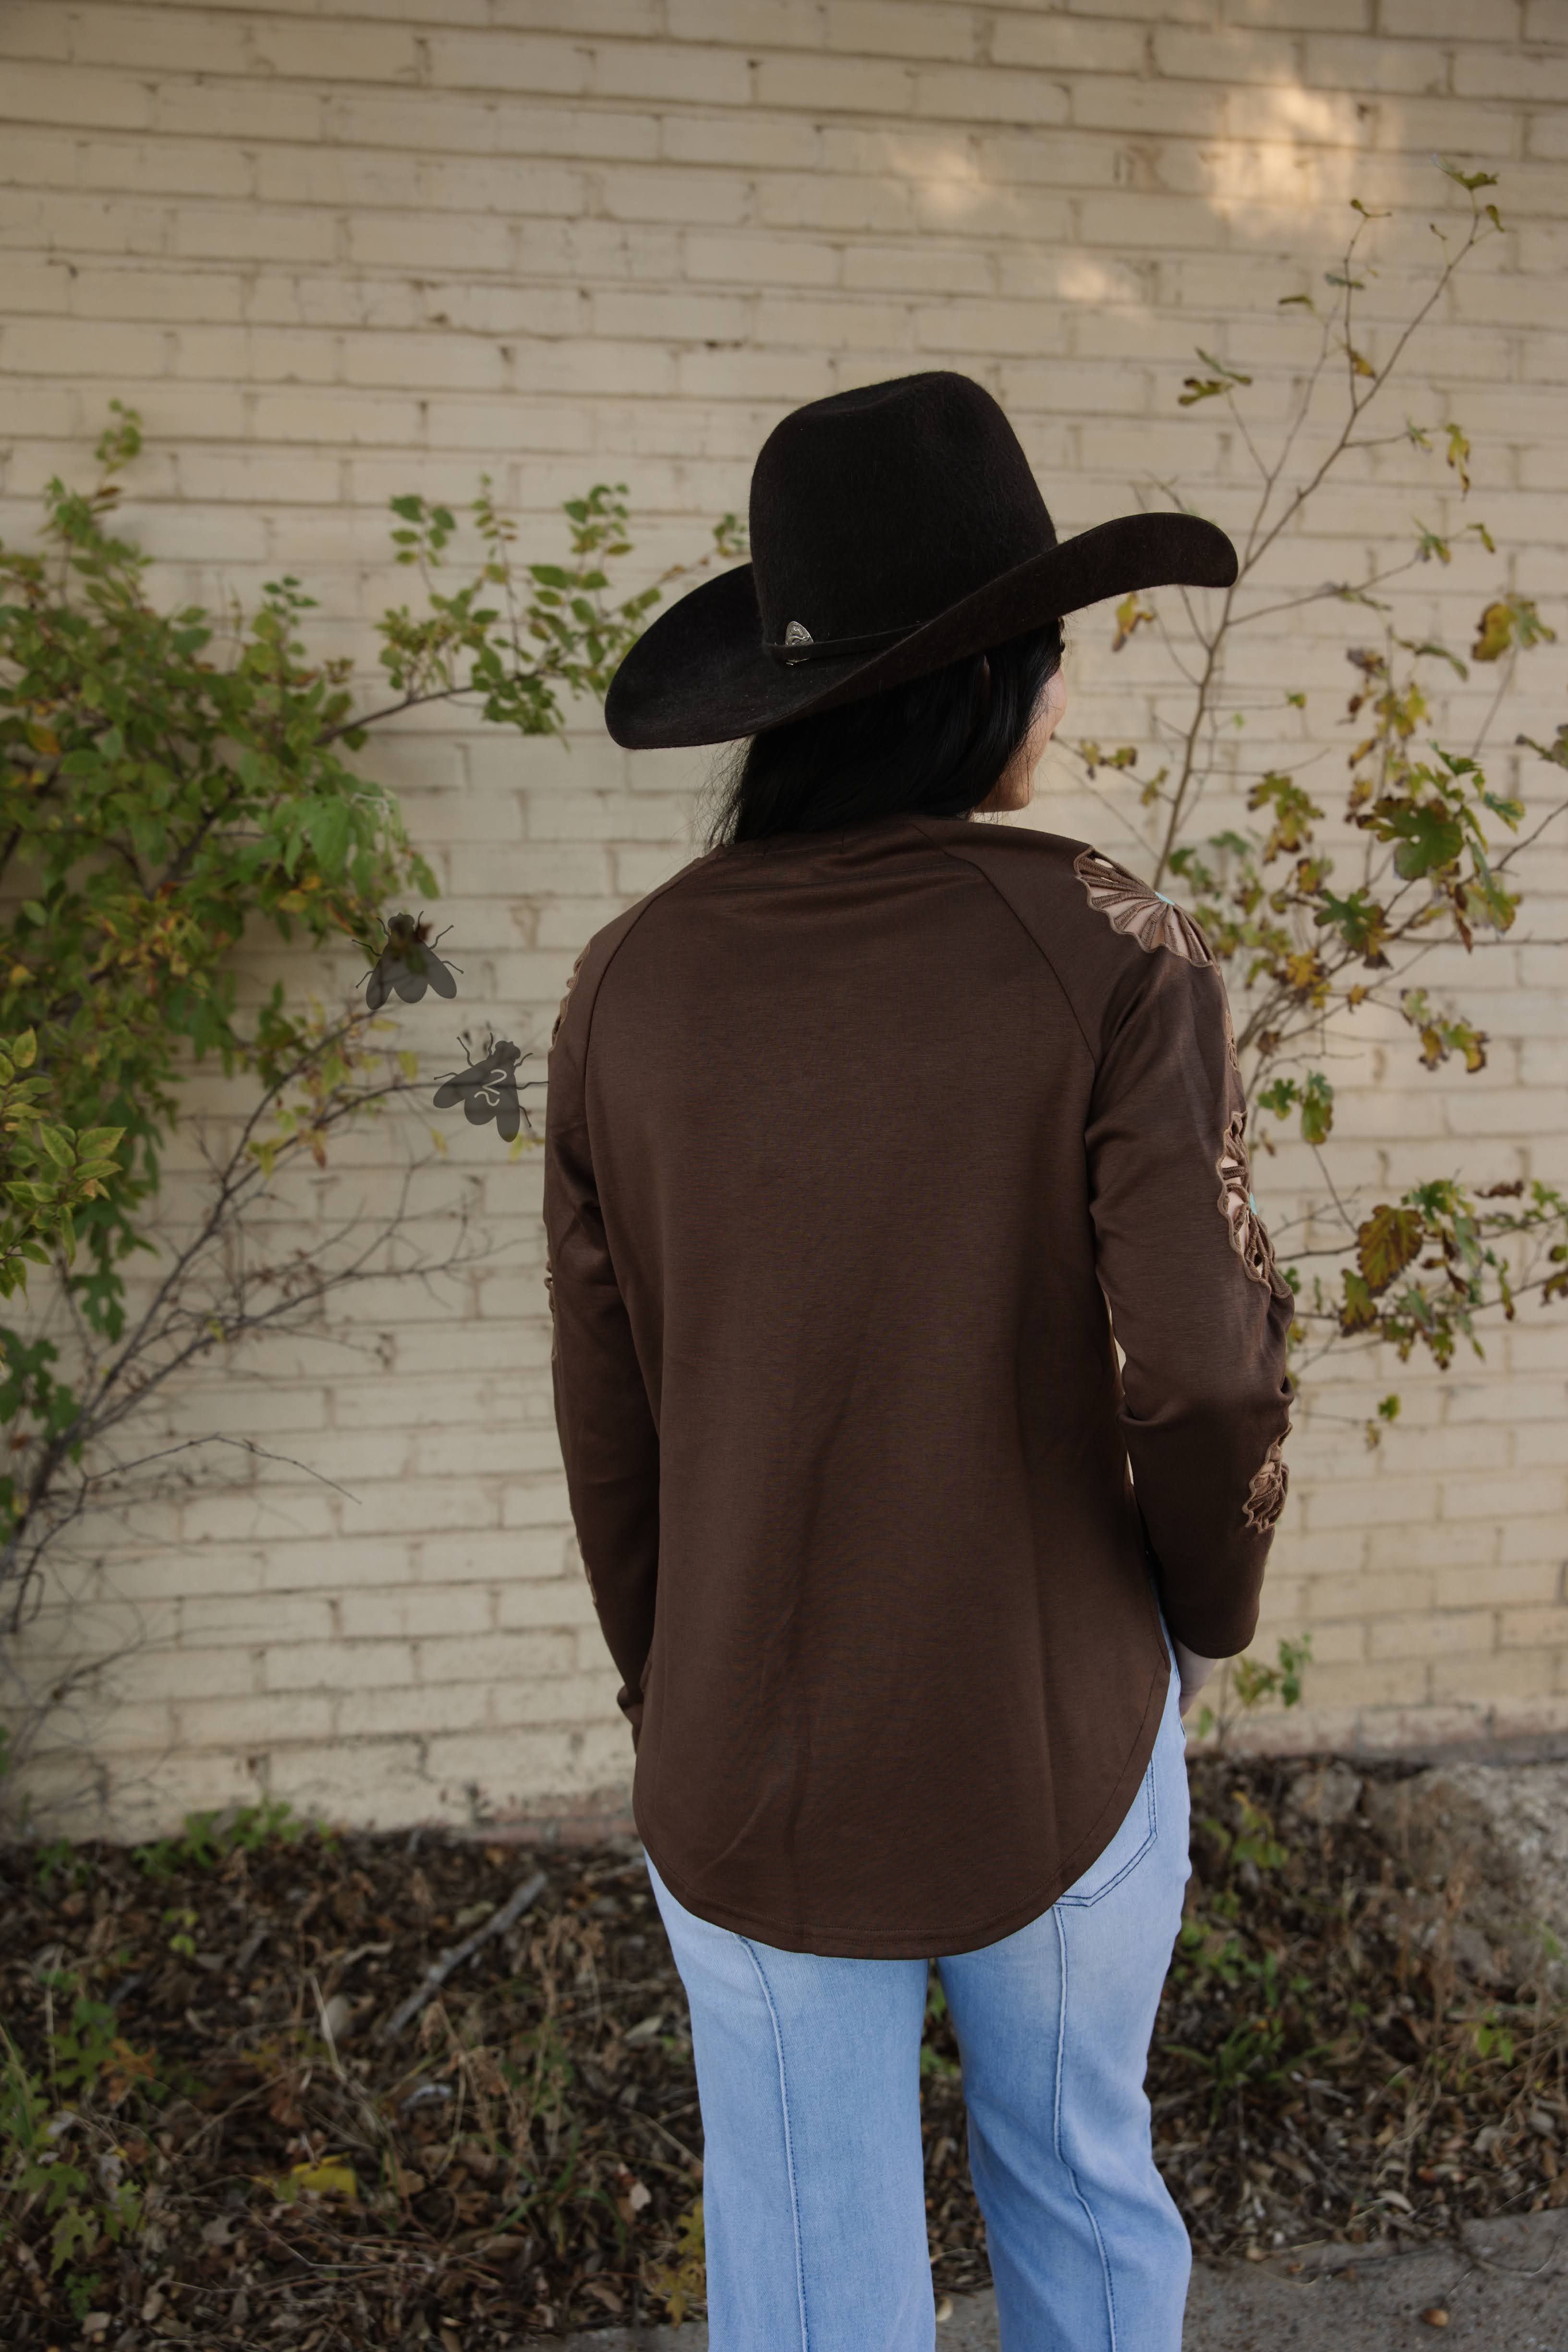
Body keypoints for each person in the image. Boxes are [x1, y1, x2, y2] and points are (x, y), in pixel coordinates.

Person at [543, 371, 1295, 2352]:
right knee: (1084, 2194)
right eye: (1045, 649)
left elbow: (609, 1416)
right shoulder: (1114, 950)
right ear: (986, 682)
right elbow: (1204, 1374)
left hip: (744, 1740)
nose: (1061, 688)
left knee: (808, 2277)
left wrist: (671, 1682)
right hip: (1055, 1716)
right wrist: (1201, 1614)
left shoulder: (627, 983)